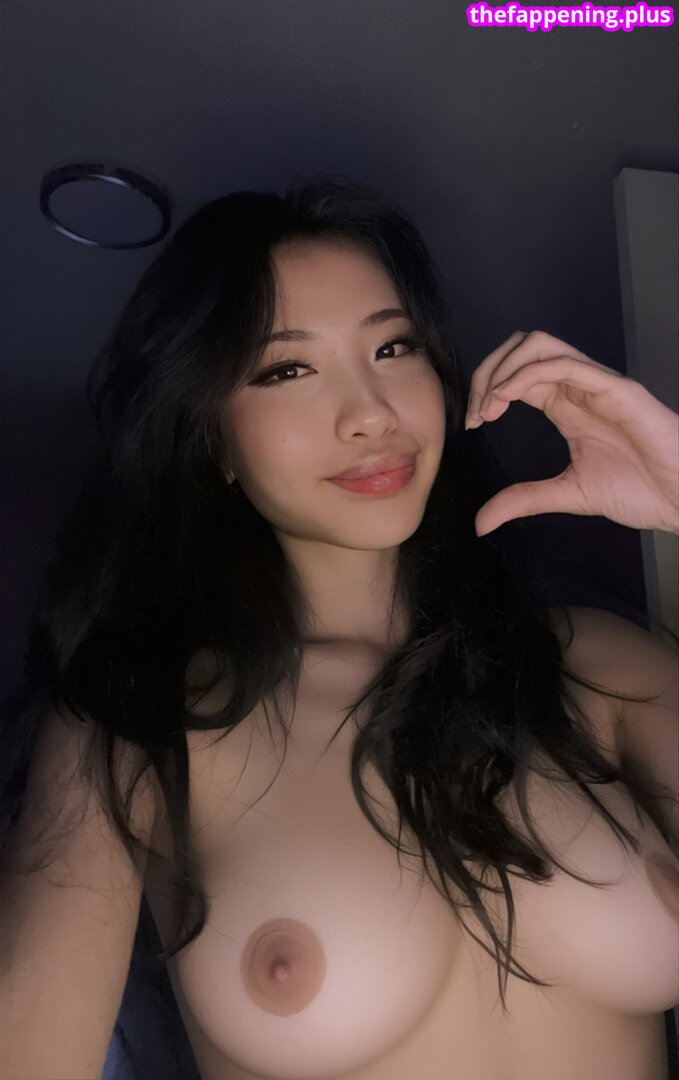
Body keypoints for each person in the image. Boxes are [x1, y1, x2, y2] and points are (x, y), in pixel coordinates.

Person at [1, 174, 677, 1080]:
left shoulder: (600, 670)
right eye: (287, 369)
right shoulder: (133, 733)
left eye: (393, 347)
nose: (371, 414)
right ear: (211, 439)